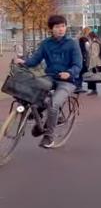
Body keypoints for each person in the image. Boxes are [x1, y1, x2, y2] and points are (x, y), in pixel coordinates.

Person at [14, 15, 82, 148]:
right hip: (50, 77)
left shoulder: (72, 44)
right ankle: (41, 120)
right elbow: (35, 60)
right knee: (33, 92)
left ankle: (48, 136)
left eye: (63, 26)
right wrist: (24, 62)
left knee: (54, 103)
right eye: (57, 27)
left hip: (68, 81)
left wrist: (69, 73)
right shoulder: (46, 44)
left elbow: (78, 65)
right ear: (51, 29)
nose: (61, 29)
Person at [76, 27, 91, 93]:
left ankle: (78, 86)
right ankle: (78, 86)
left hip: (79, 56)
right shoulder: (84, 39)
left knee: (80, 72)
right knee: (82, 71)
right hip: (83, 57)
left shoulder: (79, 38)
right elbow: (88, 48)